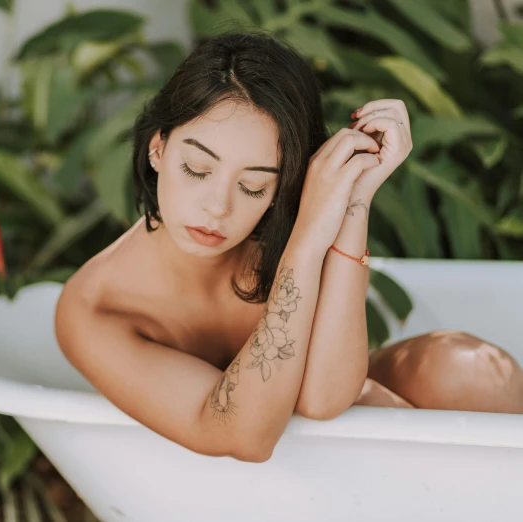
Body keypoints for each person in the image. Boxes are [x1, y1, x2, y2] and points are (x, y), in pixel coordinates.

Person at [54, 31, 523, 463]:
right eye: (197, 168)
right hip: (231, 475)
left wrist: (354, 198)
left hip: (330, 444)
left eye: (254, 187)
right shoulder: (95, 308)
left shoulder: (275, 235)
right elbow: (243, 434)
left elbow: (325, 398)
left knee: (465, 370)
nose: (218, 208)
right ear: (159, 148)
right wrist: (307, 241)